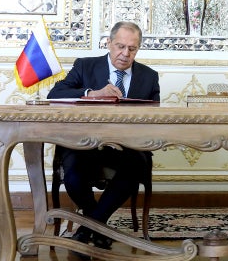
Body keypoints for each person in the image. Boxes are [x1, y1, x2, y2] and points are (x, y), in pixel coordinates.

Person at [47, 21, 159, 254]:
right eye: (120, 46)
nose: (125, 54)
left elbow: (154, 118)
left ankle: (86, 231)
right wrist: (92, 94)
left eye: (132, 49)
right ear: (108, 43)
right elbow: (55, 94)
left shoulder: (149, 77)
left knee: (136, 166)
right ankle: (98, 228)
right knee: (74, 174)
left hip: (127, 148)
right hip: (83, 144)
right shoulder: (86, 66)